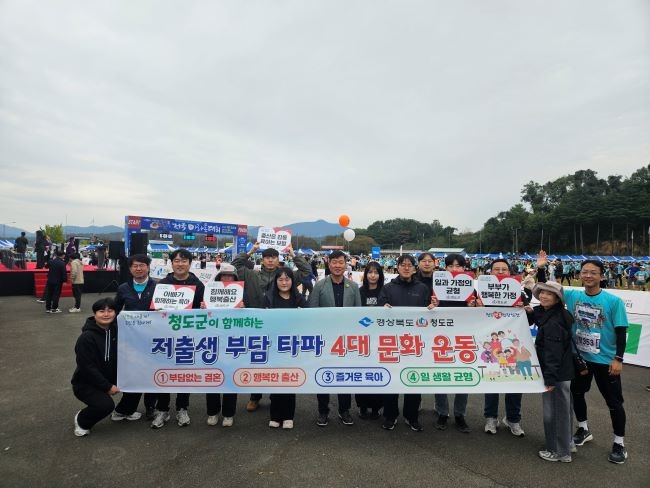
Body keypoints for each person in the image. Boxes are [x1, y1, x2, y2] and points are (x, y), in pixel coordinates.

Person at [537, 252, 630, 464]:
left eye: (593, 273)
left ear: (602, 276)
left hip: (605, 360)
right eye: (585, 272)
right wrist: (541, 268)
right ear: (580, 274)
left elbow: (621, 331)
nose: (588, 275)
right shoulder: (573, 295)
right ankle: (583, 428)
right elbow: (548, 291)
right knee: (577, 395)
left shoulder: (614, 301)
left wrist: (618, 358)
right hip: (579, 358)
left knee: (614, 402)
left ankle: (619, 443)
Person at [232, 242, 311, 412]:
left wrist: (292, 253)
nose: (270, 260)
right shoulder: (251, 275)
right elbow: (234, 266)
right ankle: (255, 396)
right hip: (257, 325)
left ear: (278, 259)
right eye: (267, 257)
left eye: (273, 257)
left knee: (279, 362)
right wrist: (251, 251)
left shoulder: (285, 276)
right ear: (262, 259)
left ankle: (277, 397)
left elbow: (306, 271)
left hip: (281, 329)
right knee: (257, 361)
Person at [379, 254, 435, 432]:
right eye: (402, 265)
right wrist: (383, 308)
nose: (406, 267)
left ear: (414, 268)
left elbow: (429, 312)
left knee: (414, 380)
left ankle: (412, 416)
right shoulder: (388, 288)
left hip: (415, 342)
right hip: (392, 342)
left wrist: (432, 308)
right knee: (391, 381)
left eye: (409, 265)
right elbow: (379, 310)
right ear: (397, 267)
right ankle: (390, 415)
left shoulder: (422, 288)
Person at [151, 249, 205, 429]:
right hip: (165, 335)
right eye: (176, 261)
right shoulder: (162, 284)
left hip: (187, 336)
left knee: (184, 374)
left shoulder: (198, 285)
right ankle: (162, 409)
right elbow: (153, 311)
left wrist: (204, 308)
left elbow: (202, 311)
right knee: (164, 371)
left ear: (190, 263)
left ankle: (182, 408)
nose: (180, 264)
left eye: (184, 261)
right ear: (171, 263)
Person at [71, 298, 140, 436]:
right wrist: (107, 387)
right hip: (86, 382)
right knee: (105, 406)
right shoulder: (86, 338)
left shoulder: (118, 330)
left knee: (138, 383)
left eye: (110, 311)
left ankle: (123, 411)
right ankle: (82, 420)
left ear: (116, 313)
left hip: (112, 376)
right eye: (101, 311)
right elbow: (87, 368)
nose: (106, 314)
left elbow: (141, 328)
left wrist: (158, 314)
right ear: (95, 314)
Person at [309, 250, 361, 427]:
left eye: (341, 262)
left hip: (346, 340)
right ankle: (323, 411)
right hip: (325, 339)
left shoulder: (353, 287)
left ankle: (344, 410)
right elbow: (313, 312)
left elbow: (358, 313)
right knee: (323, 375)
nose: (338, 265)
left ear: (346, 264)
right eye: (334, 262)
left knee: (344, 375)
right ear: (328, 263)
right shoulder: (320, 286)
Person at [526, 281, 575, 462]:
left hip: (556, 374)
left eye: (549, 294)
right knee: (564, 411)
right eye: (542, 293)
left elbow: (553, 354)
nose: (544, 296)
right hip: (563, 372)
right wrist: (530, 311)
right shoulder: (553, 314)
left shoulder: (553, 322)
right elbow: (539, 315)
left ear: (557, 299)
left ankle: (558, 452)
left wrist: (550, 380)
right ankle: (567, 444)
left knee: (553, 413)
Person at [481, 259, 528, 437]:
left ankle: (513, 419)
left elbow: (529, 317)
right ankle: (491, 418)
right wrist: (476, 307)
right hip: (491, 346)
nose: (500, 272)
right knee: (492, 381)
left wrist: (523, 308)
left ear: (509, 272)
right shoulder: (482, 293)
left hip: (512, 346)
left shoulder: (519, 293)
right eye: (496, 269)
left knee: (515, 383)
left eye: (504, 269)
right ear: (490, 272)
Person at [113, 254, 159, 421]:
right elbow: (115, 311)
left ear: (148, 267)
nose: (138, 268)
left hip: (154, 339)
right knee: (134, 373)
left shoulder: (158, 287)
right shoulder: (123, 288)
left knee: (153, 373)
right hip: (131, 340)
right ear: (130, 269)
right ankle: (127, 408)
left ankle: (151, 407)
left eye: (142, 265)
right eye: (135, 266)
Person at [264, 267, 308, 429]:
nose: (284, 282)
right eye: (280, 279)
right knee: (276, 380)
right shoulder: (268, 298)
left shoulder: (298, 298)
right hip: (274, 346)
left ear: (292, 281)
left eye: (287, 279)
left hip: (292, 346)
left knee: (289, 380)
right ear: (276, 282)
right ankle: (275, 415)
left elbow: (310, 316)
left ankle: (289, 416)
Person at [433, 253, 471, 433]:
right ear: (445, 268)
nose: (455, 269)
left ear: (464, 268)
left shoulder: (470, 288)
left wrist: (474, 306)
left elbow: (479, 312)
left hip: (463, 338)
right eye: (451, 266)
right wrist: (433, 305)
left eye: (458, 266)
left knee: (463, 376)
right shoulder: (437, 287)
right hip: (441, 337)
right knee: (441, 375)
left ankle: (459, 414)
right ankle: (442, 412)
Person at [205, 264, 240, 427]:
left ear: (235, 278)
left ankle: (228, 413)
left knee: (230, 378)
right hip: (212, 340)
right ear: (219, 277)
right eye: (224, 276)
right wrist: (203, 308)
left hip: (232, 341)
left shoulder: (241, 293)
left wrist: (244, 309)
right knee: (212, 377)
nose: (227, 278)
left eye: (230, 276)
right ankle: (212, 412)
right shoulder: (209, 291)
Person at [356, 261, 385, 419]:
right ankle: (362, 405)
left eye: (376, 272)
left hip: (380, 339)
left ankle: (376, 407)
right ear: (365, 274)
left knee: (378, 373)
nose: (373, 275)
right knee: (362, 373)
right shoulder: (359, 291)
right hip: (362, 339)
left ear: (380, 275)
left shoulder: (385, 291)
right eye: (370, 272)